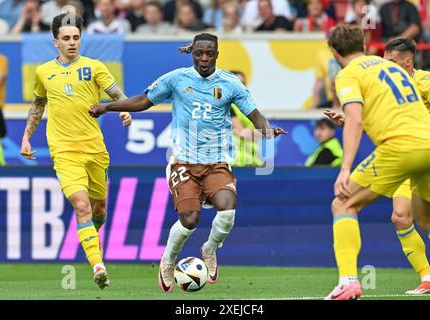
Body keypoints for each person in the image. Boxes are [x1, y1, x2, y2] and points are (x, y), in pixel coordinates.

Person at [88, 33, 287, 292]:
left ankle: (210, 248)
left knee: (227, 210)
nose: (204, 58)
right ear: (193, 53)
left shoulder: (230, 84)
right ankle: (168, 259)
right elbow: (142, 100)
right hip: (183, 162)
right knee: (190, 219)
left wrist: (267, 131)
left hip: (216, 162)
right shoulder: (176, 79)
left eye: (209, 53)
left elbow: (255, 115)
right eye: (199, 53)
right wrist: (106, 108)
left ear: (217, 54)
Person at [324, 24, 430, 300]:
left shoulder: (348, 74)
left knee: (342, 203)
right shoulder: (388, 67)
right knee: (427, 218)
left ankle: (348, 282)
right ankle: (427, 279)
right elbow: (392, 114)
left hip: (401, 149)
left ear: (334, 52)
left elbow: (355, 118)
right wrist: (357, 122)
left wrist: (345, 169)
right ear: (364, 46)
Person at [20, 13, 132, 289]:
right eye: (67, 38)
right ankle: (98, 265)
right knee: (81, 205)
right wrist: (26, 138)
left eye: (76, 38)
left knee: (99, 210)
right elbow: (37, 106)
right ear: (55, 41)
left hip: (94, 150)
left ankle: (89, 240)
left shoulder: (94, 67)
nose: (72, 43)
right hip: (64, 151)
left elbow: (118, 95)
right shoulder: (43, 72)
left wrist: (125, 111)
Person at [229, 70, 263, 167]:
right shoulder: (226, 107)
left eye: (243, 83)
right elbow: (242, 133)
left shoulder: (249, 108)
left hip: (253, 162)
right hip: (235, 163)